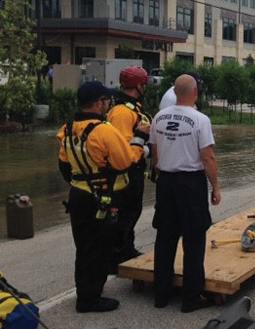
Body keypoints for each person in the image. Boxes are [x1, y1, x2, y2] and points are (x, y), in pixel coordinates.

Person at [57, 81, 150, 313]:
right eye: (106, 101)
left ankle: (86, 292)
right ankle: (90, 299)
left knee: (84, 247)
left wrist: (81, 181)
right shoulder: (105, 131)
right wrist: (139, 138)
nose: (109, 104)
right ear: (99, 103)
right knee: (98, 248)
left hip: (78, 194)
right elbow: (125, 161)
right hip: (100, 197)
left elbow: (64, 165)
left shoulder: (67, 129)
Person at [150, 74, 221, 312]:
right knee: (193, 238)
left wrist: (161, 175)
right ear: (195, 94)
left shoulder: (159, 117)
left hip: (166, 181)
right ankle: (191, 298)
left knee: (165, 237)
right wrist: (215, 187)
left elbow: (155, 151)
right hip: (190, 183)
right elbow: (208, 157)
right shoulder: (200, 120)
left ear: (174, 92)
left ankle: (161, 293)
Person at [107, 66, 152, 265]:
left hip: (134, 168)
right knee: (125, 214)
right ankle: (119, 253)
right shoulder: (122, 112)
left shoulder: (133, 108)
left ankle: (126, 248)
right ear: (139, 85)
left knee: (133, 212)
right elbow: (122, 148)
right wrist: (145, 146)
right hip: (124, 172)